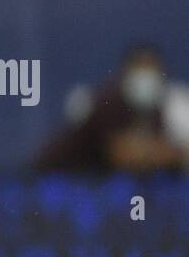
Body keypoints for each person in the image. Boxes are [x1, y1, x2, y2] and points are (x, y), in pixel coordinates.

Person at [35, 44, 186, 173]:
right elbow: (123, 155)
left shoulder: (157, 107)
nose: (145, 76)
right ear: (125, 73)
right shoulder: (107, 102)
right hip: (53, 180)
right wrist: (165, 153)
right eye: (140, 68)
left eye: (151, 68)